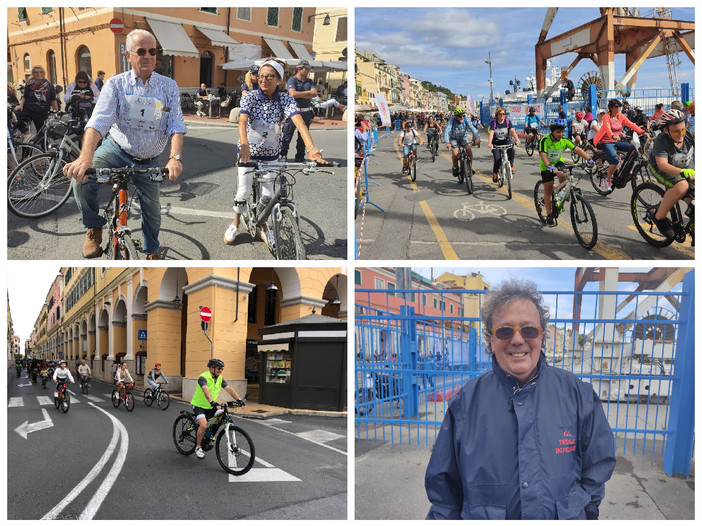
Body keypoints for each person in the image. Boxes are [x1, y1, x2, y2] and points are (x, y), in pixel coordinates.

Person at [425, 279, 616, 520]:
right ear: (491, 340)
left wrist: (580, 512)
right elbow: (444, 497)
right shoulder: (465, 403)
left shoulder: (578, 395)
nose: (517, 340)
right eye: (505, 331)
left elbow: (597, 469)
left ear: (541, 337)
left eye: (528, 330)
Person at [63, 29, 186, 260]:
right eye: (141, 51)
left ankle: (150, 250)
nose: (148, 56)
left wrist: (175, 157)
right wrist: (85, 158)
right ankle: (94, 226)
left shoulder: (169, 86)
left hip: (149, 159)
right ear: (129, 56)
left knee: (153, 212)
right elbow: (98, 121)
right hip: (117, 150)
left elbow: (176, 125)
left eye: (152, 51)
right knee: (81, 178)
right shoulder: (115, 85)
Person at [223, 59, 328, 247]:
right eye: (261, 76)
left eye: (269, 76)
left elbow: (299, 122)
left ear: (279, 79)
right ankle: (235, 222)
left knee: (268, 195)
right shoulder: (250, 96)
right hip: (249, 152)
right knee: (244, 190)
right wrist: (244, 144)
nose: (263, 80)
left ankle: (263, 226)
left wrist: (312, 149)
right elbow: (242, 121)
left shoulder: (286, 98)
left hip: (271, 153)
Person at [646, 109, 695, 238]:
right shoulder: (661, 140)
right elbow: (663, 165)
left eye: (683, 129)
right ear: (666, 130)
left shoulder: (690, 135)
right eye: (676, 131)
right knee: (682, 186)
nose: (681, 134)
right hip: (662, 168)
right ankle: (658, 216)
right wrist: (682, 172)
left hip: (684, 166)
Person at [538, 118, 594, 226]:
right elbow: (543, 154)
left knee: (564, 175)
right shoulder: (545, 140)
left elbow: (577, 149)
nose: (561, 134)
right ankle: (549, 215)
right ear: (552, 132)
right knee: (548, 190)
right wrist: (549, 166)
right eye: (558, 132)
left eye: (562, 131)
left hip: (558, 162)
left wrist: (588, 159)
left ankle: (559, 194)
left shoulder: (564, 140)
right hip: (546, 166)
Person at [190, 358, 244, 459]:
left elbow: (229, 389)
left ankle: (210, 432)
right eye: (219, 368)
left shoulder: (220, 378)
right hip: (199, 405)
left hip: (211, 406)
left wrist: (239, 399)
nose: (221, 370)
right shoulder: (203, 377)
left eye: (222, 369)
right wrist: (212, 401)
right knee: (203, 425)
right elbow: (205, 390)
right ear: (212, 368)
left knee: (223, 415)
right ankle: (198, 447)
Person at [592, 98, 648, 190]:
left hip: (616, 141)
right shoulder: (607, 117)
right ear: (610, 108)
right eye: (616, 107)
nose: (618, 108)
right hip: (606, 141)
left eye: (619, 107)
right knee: (615, 161)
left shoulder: (620, 116)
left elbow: (631, 124)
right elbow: (607, 128)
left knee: (633, 149)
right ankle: (607, 179)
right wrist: (612, 136)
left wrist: (642, 132)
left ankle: (626, 170)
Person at [280, 59, 318, 162]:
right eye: (306, 69)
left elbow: (314, 94)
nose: (308, 71)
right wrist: (307, 93)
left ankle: (300, 157)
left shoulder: (309, 81)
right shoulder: (292, 80)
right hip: (294, 112)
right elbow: (292, 94)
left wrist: (300, 94)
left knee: (303, 137)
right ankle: (283, 155)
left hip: (306, 112)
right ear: (299, 69)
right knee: (287, 135)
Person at [13, 65, 58, 137]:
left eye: (41, 72)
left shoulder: (49, 85)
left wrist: (57, 110)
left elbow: (53, 98)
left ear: (44, 73)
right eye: (36, 72)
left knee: (42, 135)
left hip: (41, 111)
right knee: (15, 115)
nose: (39, 74)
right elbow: (25, 96)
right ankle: (26, 133)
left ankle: (43, 148)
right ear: (33, 74)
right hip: (29, 109)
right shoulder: (29, 83)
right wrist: (21, 105)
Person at [444, 108, 480, 178]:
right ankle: (455, 167)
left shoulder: (465, 120)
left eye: (463, 115)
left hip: (463, 137)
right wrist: (447, 142)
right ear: (456, 116)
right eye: (460, 116)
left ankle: (469, 167)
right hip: (454, 138)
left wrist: (477, 137)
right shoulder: (452, 120)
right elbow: (447, 130)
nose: (462, 117)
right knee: (455, 154)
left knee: (469, 149)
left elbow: (472, 128)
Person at [487, 107, 520, 182]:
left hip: (506, 142)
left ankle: (511, 166)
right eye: (500, 114)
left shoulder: (508, 122)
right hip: (496, 144)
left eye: (503, 114)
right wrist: (490, 143)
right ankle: (495, 173)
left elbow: (513, 131)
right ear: (497, 115)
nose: (502, 116)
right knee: (498, 160)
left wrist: (517, 139)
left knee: (512, 150)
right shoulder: (494, 123)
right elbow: (491, 133)